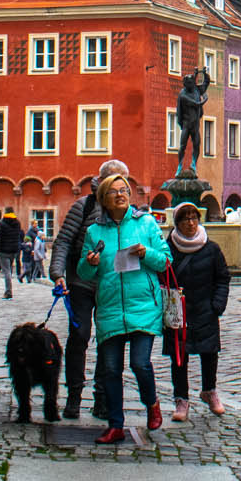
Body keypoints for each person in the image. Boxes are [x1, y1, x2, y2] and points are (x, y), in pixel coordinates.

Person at [80, 173, 170, 444]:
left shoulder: (146, 224)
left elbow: (166, 261)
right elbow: (84, 273)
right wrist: (90, 263)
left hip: (143, 304)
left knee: (140, 363)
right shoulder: (94, 231)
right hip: (109, 308)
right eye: (114, 192)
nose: (120, 195)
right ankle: (115, 425)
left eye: (124, 190)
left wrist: (147, 254)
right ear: (103, 199)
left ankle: (151, 403)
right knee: (110, 368)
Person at [50, 158, 133, 419]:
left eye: (124, 184)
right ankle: (74, 395)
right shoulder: (84, 206)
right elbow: (63, 241)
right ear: (103, 181)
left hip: (110, 285)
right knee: (80, 335)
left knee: (108, 340)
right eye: (115, 183)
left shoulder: (129, 211)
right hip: (82, 282)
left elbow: (132, 245)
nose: (120, 190)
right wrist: (57, 274)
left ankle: (101, 398)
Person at [160, 202, 230, 420]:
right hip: (178, 310)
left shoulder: (211, 248)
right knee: (179, 356)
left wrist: (217, 305)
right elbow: (159, 276)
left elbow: (222, 278)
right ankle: (181, 399)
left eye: (194, 218)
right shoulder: (167, 248)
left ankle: (209, 391)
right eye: (185, 219)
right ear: (177, 223)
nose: (190, 223)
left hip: (205, 308)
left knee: (209, 353)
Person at [0, 208, 24, 298]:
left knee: (7, 271)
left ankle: (8, 291)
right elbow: (18, 236)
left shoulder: (2, 223)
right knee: (9, 270)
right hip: (13, 250)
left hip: (3, 251)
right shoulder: (17, 223)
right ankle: (8, 290)